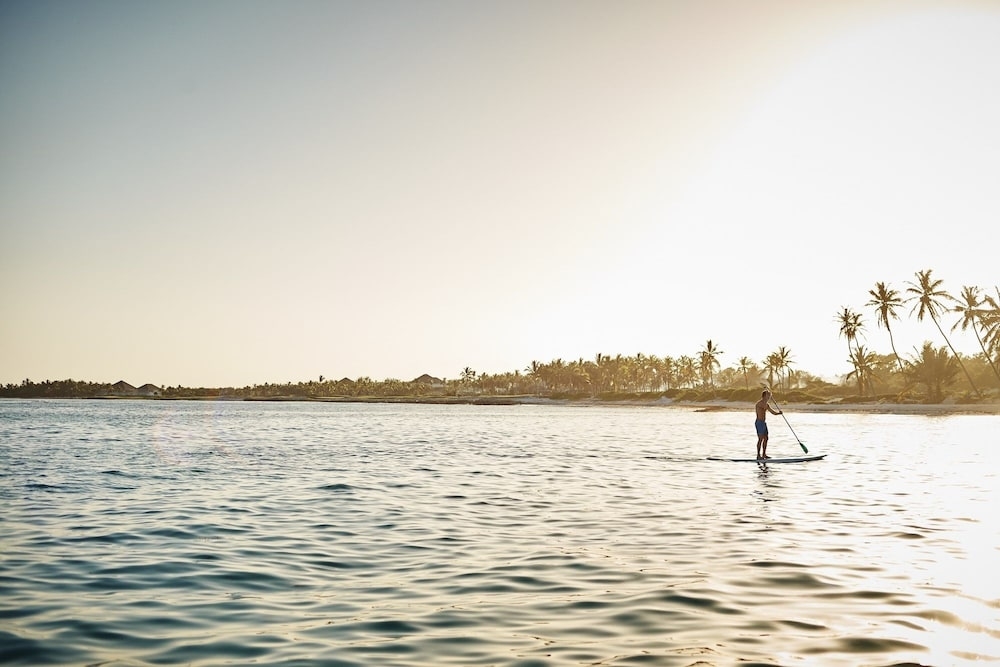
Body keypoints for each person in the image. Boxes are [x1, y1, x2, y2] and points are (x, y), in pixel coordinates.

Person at [755, 390, 782, 459]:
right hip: (759, 423)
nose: (769, 397)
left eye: (770, 396)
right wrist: (767, 402)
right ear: (764, 396)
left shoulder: (767, 404)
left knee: (766, 438)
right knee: (760, 439)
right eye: (768, 395)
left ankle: (764, 454)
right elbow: (764, 407)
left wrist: (779, 413)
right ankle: (758, 455)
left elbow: (773, 412)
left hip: (764, 423)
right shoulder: (759, 403)